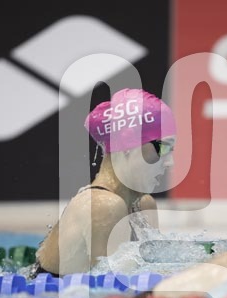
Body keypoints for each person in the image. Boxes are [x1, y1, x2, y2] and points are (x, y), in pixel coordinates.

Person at [30, 89, 176, 277]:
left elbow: (152, 273)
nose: (170, 162)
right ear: (128, 145)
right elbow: (117, 287)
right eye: (163, 147)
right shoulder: (103, 207)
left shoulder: (143, 204)